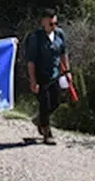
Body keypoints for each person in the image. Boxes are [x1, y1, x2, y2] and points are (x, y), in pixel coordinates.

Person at [24, 8, 68, 145]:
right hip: (40, 75)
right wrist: (33, 80)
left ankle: (39, 120)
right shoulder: (35, 37)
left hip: (55, 74)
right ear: (43, 22)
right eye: (51, 24)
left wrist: (67, 71)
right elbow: (31, 61)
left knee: (56, 101)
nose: (54, 26)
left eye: (56, 23)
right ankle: (47, 133)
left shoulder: (59, 34)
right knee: (45, 103)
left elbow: (63, 53)